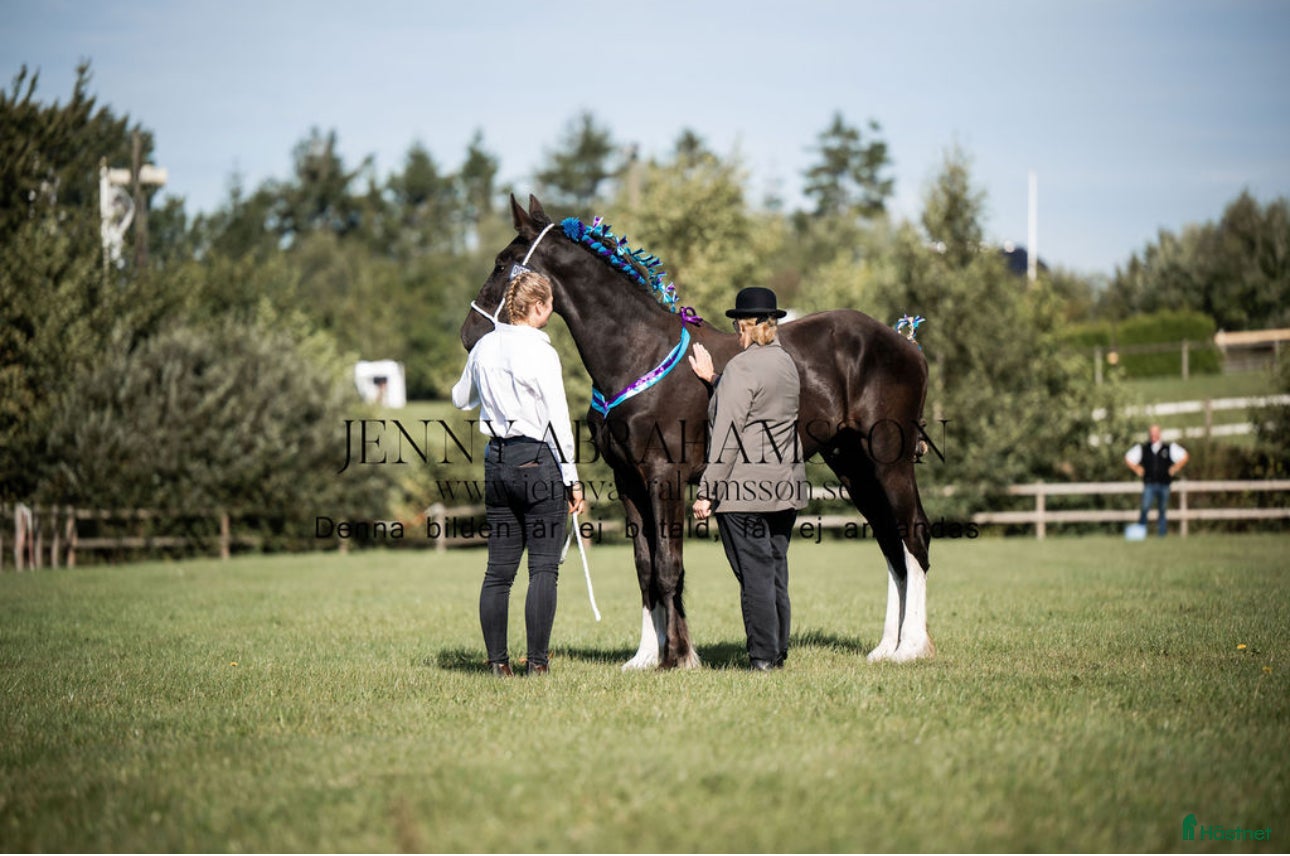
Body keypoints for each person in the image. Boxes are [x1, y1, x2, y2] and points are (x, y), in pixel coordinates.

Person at [451, 270, 586, 677]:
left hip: (497, 461)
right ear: (540, 306)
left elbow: (461, 399)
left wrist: (485, 376)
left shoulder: (485, 345)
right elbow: (558, 418)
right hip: (537, 461)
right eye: (550, 305)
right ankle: (538, 664)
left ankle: (497, 663)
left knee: (498, 572)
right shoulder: (543, 351)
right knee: (543, 568)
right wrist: (572, 477)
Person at [689, 286, 809, 671]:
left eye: (738, 325)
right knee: (774, 569)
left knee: (753, 576)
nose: (736, 333)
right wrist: (716, 379)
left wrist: (707, 492)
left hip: (744, 492)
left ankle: (761, 658)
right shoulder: (785, 363)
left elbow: (727, 436)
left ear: (748, 325)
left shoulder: (742, 367)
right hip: (784, 486)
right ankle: (778, 650)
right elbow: (760, 401)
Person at [1124, 424, 1189, 537]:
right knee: (1145, 508)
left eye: (1156, 432)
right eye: (1151, 433)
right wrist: (1136, 468)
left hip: (1164, 484)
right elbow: (1128, 458)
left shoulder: (1168, 448)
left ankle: (1162, 535)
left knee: (1162, 510)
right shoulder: (1143, 448)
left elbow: (1185, 456)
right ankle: (1141, 533)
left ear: (1160, 434)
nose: (1153, 435)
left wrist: (1175, 467)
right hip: (1149, 484)